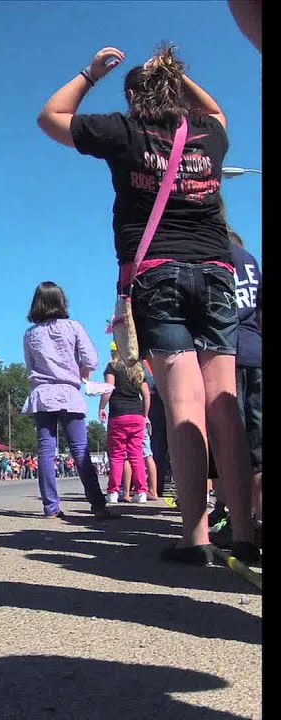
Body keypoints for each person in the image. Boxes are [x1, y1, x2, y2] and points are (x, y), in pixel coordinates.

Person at [39, 44, 255, 564]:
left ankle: (196, 537)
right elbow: (218, 112)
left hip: (159, 276)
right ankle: (245, 532)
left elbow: (51, 118)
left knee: (185, 405)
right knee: (225, 404)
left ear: (134, 98)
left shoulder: (124, 131)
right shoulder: (207, 136)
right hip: (216, 273)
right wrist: (179, 80)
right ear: (177, 94)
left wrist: (90, 72)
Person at [21, 281, 111, 519]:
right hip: (69, 393)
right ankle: (97, 504)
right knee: (80, 449)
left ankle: (50, 507)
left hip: (42, 395)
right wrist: (82, 372)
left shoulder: (30, 334)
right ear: (61, 301)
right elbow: (91, 359)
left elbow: (30, 367)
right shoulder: (73, 327)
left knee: (46, 452)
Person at [228, 228, 262, 529]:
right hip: (256, 349)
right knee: (257, 439)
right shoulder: (251, 261)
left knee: (233, 438)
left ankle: (240, 519)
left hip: (229, 352)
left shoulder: (216, 257)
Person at [101, 346, 151, 504]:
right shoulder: (138, 367)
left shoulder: (113, 367)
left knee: (117, 456)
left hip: (118, 415)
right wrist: (145, 415)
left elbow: (108, 389)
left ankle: (113, 492)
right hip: (137, 415)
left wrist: (101, 407)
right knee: (137, 455)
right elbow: (146, 394)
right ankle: (142, 492)